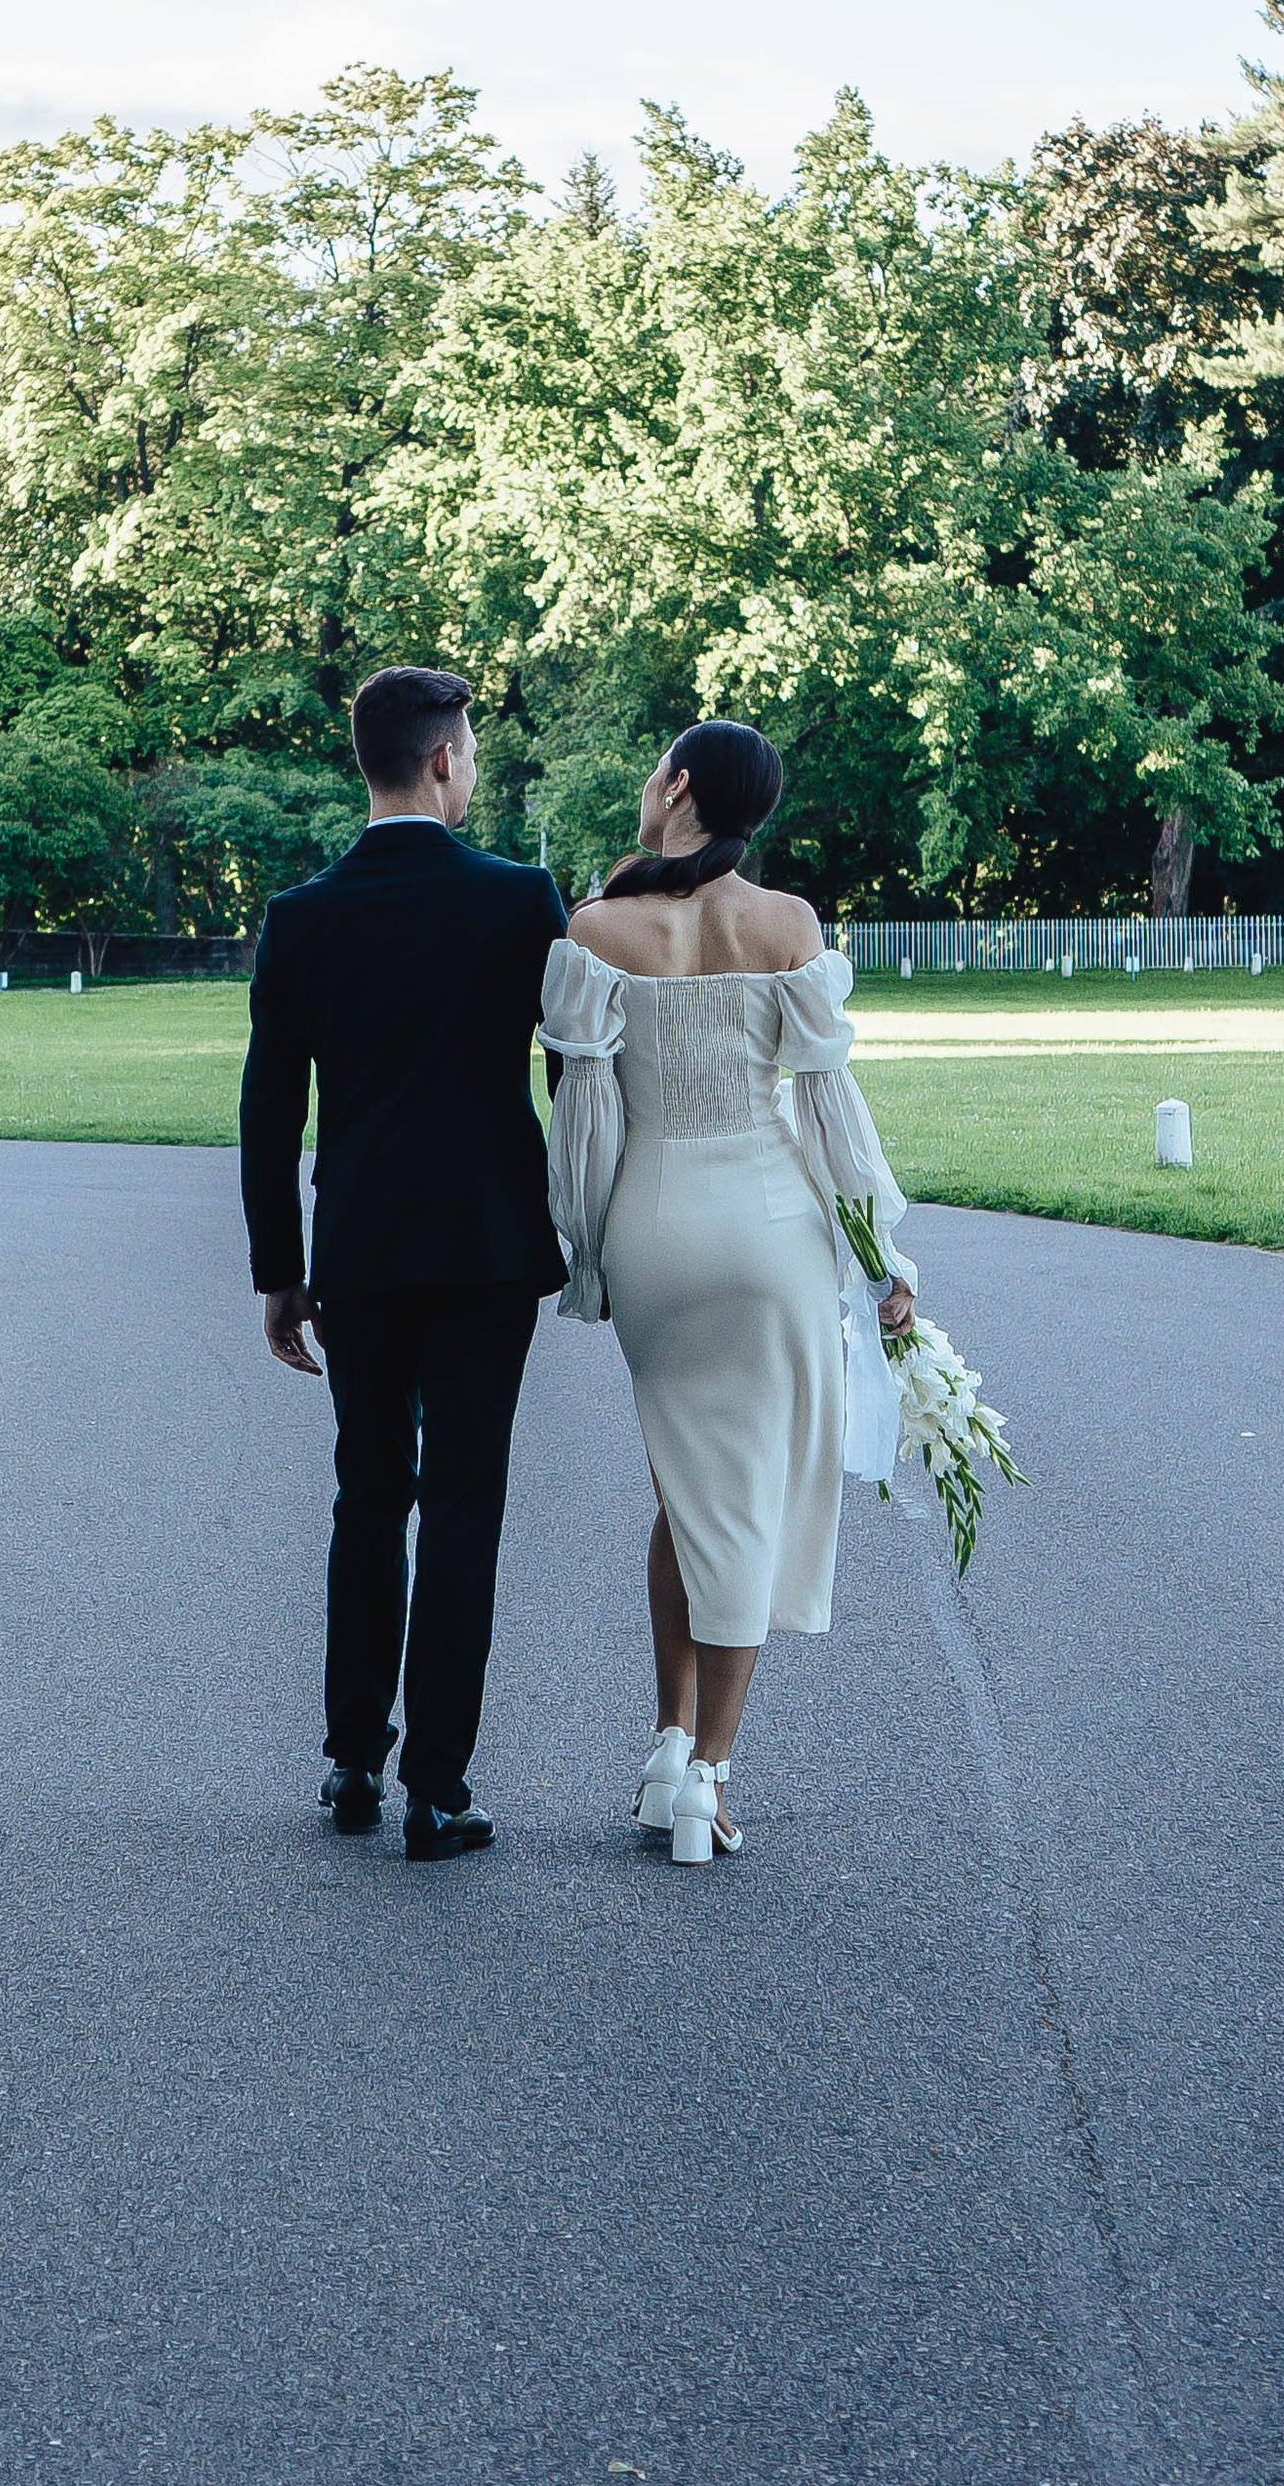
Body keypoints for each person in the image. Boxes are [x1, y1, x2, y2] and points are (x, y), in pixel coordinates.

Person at [541, 722, 915, 1865]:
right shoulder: (787, 925)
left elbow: (583, 1121)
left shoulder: (598, 929)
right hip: (771, 1231)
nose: (644, 786)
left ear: (681, 788)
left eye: (653, 770)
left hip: (656, 1228)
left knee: (689, 1495)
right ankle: (706, 1774)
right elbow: (828, 1115)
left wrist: (590, 1255)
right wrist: (880, 1250)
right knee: (748, 1497)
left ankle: (666, 1745)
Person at [240, 666, 568, 1859]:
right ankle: (439, 1785)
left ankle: (348, 1760)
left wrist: (281, 1267)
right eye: (470, 748)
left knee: (368, 1495)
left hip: (363, 1248)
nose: (472, 766)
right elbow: (569, 1081)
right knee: (465, 1509)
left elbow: (271, 1111)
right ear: (441, 760)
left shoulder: (302, 915)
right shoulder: (522, 899)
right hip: (487, 1247)